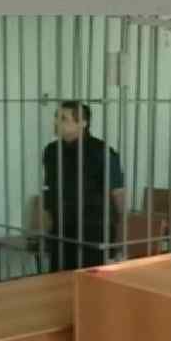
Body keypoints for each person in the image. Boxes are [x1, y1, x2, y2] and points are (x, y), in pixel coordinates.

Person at [42, 101, 125, 272]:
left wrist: (121, 233)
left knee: (91, 281)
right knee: (59, 279)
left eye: (63, 118)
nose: (56, 122)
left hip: (93, 231)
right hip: (61, 230)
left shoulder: (101, 152)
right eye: (56, 117)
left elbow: (117, 193)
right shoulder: (51, 151)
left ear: (83, 123)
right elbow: (50, 188)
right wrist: (47, 223)